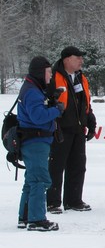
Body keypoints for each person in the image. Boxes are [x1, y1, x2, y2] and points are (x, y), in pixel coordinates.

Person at [46, 46, 97, 213]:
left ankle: (73, 200)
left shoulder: (80, 78)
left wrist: (90, 122)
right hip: (59, 129)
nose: (81, 60)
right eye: (78, 57)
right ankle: (52, 202)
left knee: (78, 165)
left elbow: (84, 102)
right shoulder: (53, 77)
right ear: (67, 59)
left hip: (78, 128)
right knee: (56, 166)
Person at [17, 57, 65, 231]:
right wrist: (56, 110)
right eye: (49, 72)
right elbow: (38, 117)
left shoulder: (33, 89)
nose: (50, 76)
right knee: (40, 180)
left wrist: (50, 101)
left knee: (31, 180)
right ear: (40, 72)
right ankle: (36, 220)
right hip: (35, 141)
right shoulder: (31, 91)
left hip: (35, 140)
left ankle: (25, 217)